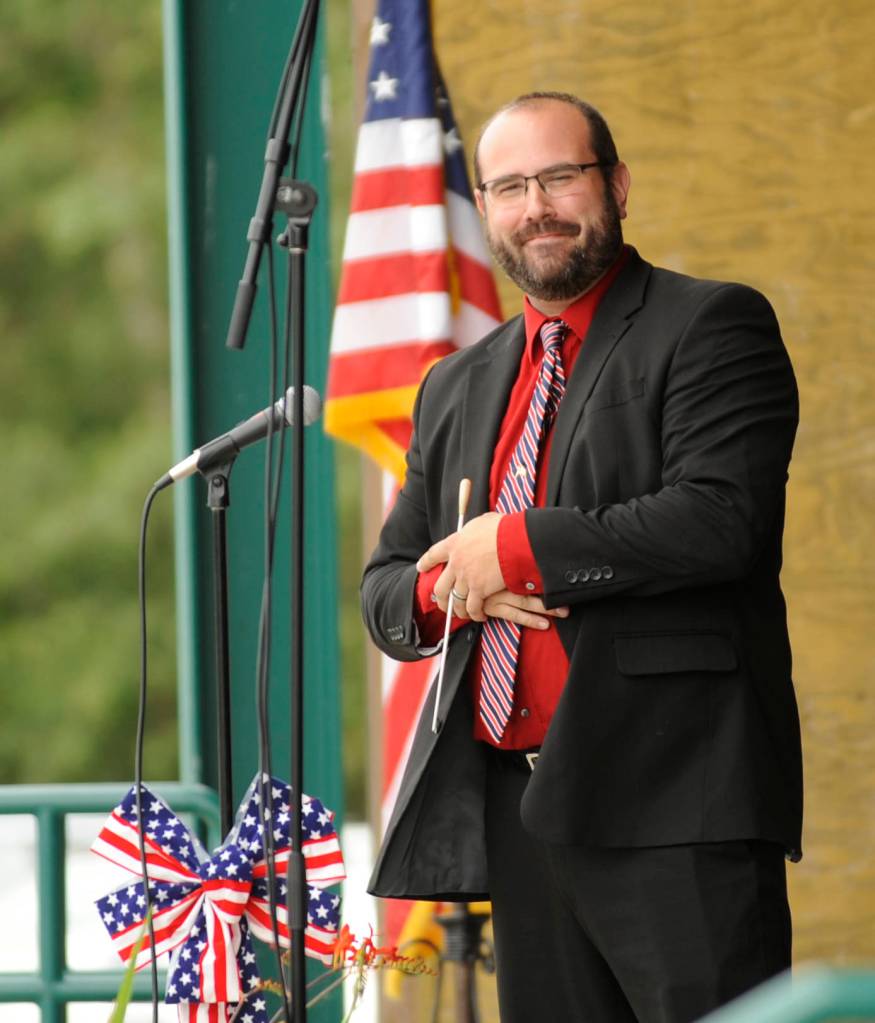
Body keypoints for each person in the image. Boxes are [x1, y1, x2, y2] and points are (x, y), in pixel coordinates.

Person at [361, 91, 802, 1023]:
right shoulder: (454, 383)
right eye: (511, 186)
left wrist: (516, 547)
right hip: (523, 812)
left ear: (617, 185)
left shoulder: (711, 325)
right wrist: (461, 582)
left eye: (560, 176)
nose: (537, 206)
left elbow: (719, 520)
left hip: (676, 805)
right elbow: (389, 588)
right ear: (482, 208)